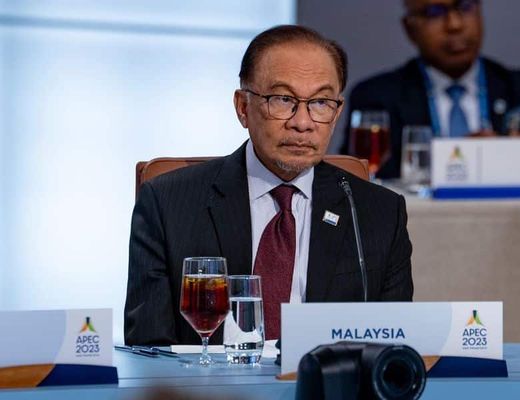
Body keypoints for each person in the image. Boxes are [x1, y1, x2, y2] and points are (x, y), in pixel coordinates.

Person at [125, 25, 413, 346]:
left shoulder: (379, 213)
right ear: (243, 107)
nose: (302, 123)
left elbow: (394, 347)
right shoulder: (169, 204)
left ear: (337, 113)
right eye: (283, 99)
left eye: (320, 102)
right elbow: (149, 346)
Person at [341, 0, 520, 178]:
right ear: (410, 29)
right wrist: (458, 162)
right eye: (435, 12)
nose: (455, 25)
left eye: (465, 6)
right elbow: (355, 181)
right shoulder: (376, 97)